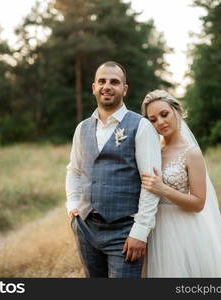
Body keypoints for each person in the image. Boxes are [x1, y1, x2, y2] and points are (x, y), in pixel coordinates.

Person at [65, 61, 162, 278]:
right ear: (94, 87)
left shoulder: (142, 126)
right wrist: (72, 205)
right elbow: (74, 170)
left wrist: (140, 231)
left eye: (114, 82)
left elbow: (151, 183)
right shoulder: (82, 128)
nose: (107, 86)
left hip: (125, 231)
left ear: (124, 89)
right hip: (86, 229)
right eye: (102, 81)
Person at [140, 89, 221, 277]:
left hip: (184, 228)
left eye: (164, 114)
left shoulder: (191, 153)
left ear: (176, 111)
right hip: (155, 228)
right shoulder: (151, 150)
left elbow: (199, 203)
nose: (160, 122)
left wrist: (163, 189)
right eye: (152, 120)